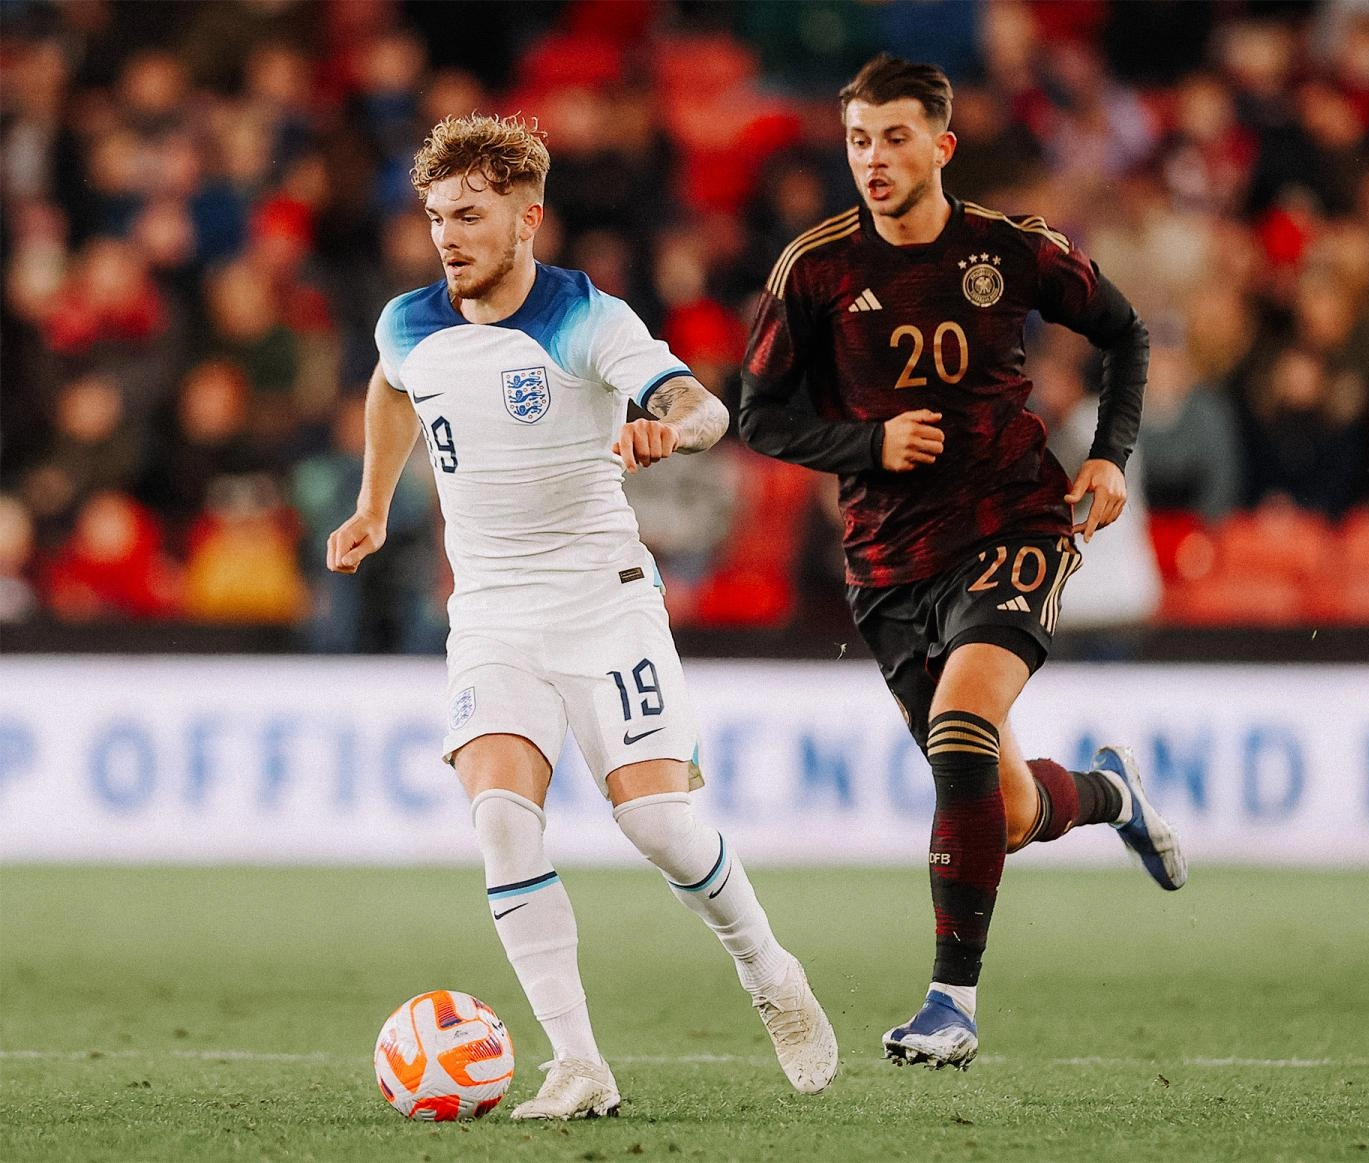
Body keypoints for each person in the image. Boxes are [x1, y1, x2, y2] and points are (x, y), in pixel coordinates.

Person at [328, 114, 838, 1120]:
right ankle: (580, 1062)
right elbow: (393, 394)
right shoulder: (408, 322)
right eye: (436, 215)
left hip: (603, 602)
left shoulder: (585, 318)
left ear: (528, 218)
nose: (448, 234)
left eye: (470, 214)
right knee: (502, 823)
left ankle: (771, 971)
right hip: (489, 614)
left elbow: (706, 406)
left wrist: (669, 427)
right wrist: (374, 503)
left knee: (656, 823)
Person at [739, 55, 1187, 1073]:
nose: (875, 159)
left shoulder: (1009, 249)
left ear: (940, 146)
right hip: (889, 563)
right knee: (1009, 803)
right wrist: (868, 446)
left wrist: (1110, 457)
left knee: (962, 719)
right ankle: (1109, 793)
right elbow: (758, 415)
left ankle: (951, 1002)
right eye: (859, 140)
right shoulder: (813, 268)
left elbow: (1126, 333)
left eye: (895, 138)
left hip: (1015, 521)